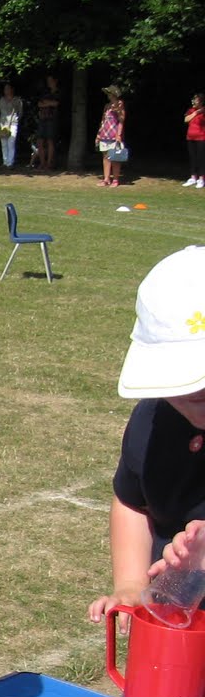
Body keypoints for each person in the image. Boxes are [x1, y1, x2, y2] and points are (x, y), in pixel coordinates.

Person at [88, 247, 205, 627]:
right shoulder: (154, 419)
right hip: (178, 623)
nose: (192, 394)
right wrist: (130, 584)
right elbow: (133, 501)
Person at [97, 85, 127, 187]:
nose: (108, 95)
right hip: (105, 134)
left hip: (114, 135)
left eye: (109, 93)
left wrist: (119, 135)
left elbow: (121, 120)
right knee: (106, 157)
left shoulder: (120, 104)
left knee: (115, 158)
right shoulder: (107, 106)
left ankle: (115, 179)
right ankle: (106, 179)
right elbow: (103, 120)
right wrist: (99, 134)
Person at [33, 75, 61, 170]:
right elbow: (39, 104)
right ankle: (42, 163)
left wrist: (48, 103)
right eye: (48, 81)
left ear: (55, 81)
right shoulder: (45, 92)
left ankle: (49, 163)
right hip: (42, 118)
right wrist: (49, 103)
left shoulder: (58, 92)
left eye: (51, 80)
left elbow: (56, 103)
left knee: (50, 140)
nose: (49, 82)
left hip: (52, 119)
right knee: (40, 141)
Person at [0, 82, 23, 169]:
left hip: (13, 123)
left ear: (12, 89)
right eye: (5, 89)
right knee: (4, 143)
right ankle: (5, 161)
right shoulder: (2, 100)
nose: (6, 90)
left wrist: (16, 119)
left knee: (11, 142)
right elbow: (1, 111)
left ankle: (10, 162)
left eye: (8, 88)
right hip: (3, 123)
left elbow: (20, 112)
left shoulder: (17, 100)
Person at [186, 95, 205, 188]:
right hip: (190, 137)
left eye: (196, 100)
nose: (193, 101)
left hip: (201, 138)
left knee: (201, 159)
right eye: (193, 100)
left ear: (201, 101)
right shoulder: (191, 110)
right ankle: (193, 178)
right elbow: (186, 119)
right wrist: (196, 112)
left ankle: (201, 179)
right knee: (192, 158)